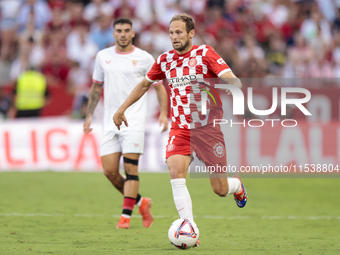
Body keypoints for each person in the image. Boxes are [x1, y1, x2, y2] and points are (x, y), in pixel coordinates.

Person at [113, 13, 248, 243]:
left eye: (179, 32)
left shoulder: (204, 53)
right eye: (171, 33)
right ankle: (190, 230)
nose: (174, 37)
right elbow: (145, 84)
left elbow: (228, 75)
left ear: (191, 33)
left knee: (219, 188)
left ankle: (236, 185)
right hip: (181, 128)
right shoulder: (165, 60)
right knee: (175, 172)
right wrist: (121, 109)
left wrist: (232, 82)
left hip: (208, 129)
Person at [83, 18, 168, 229]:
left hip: (134, 121)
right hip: (109, 122)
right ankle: (141, 202)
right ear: (113, 33)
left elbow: (159, 87)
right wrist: (89, 115)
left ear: (133, 33)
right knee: (110, 172)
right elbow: (96, 88)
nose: (122, 34)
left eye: (126, 30)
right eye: (119, 30)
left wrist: (164, 113)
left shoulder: (145, 58)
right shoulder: (103, 57)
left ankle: (125, 217)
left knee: (131, 169)